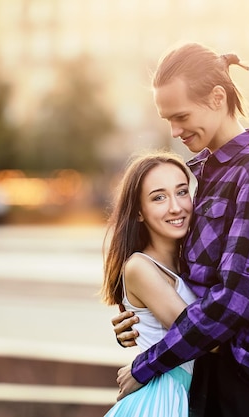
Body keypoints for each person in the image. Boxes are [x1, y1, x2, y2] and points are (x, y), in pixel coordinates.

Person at [112, 42, 249, 416]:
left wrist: (148, 363)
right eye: (167, 119)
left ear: (218, 98)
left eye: (181, 116)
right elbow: (190, 278)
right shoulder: (207, 171)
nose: (174, 130)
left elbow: (234, 300)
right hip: (205, 371)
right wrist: (144, 317)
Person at [101, 151, 197, 416]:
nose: (176, 207)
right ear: (139, 212)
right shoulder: (139, 267)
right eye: (159, 197)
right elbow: (198, 334)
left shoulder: (191, 261)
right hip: (162, 400)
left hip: (189, 395)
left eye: (181, 192)